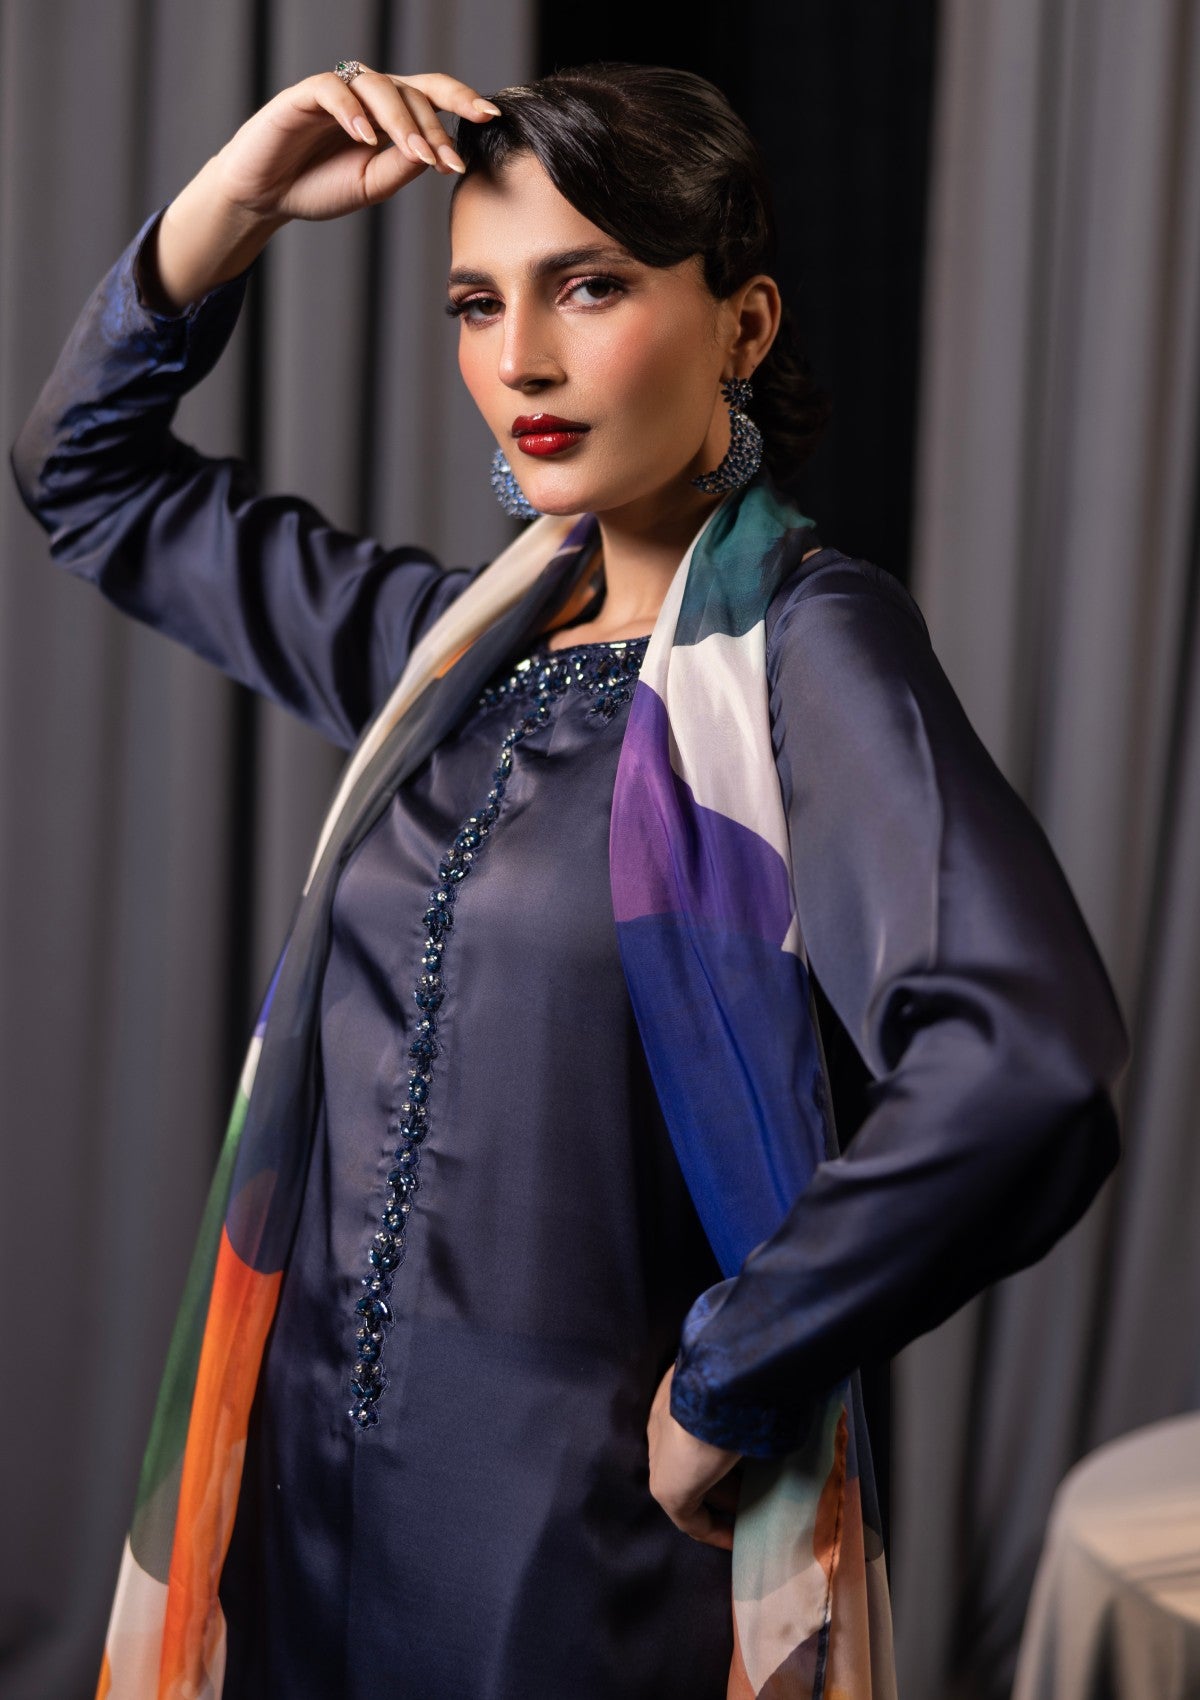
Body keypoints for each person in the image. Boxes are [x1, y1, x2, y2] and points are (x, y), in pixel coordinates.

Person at [10, 61, 1129, 1700]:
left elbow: (1027, 1058)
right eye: (478, 303)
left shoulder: (804, 654)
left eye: (588, 287)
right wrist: (233, 201)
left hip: (576, 1553)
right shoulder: (448, 653)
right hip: (302, 1499)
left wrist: (737, 1374)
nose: (520, 358)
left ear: (742, 324)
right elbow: (85, 480)